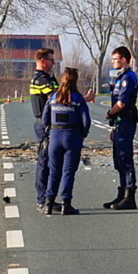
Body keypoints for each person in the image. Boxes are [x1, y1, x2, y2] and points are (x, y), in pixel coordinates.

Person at [41, 68, 91, 215]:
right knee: (68, 172)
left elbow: (45, 119)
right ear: (75, 80)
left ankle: (48, 203)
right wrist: (83, 134)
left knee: (53, 171)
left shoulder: (53, 97)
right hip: (72, 137)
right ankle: (66, 204)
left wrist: (50, 131)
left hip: (55, 137)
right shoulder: (77, 98)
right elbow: (86, 121)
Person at [105, 46, 138, 210]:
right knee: (118, 159)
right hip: (119, 122)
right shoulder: (120, 77)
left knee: (125, 158)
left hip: (126, 120)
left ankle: (129, 196)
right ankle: (121, 193)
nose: (113, 62)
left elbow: (121, 103)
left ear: (124, 60)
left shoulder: (128, 78)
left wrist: (109, 113)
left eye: (115, 59)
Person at [29, 48, 59, 213]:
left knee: (50, 162)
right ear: (42, 61)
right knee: (45, 162)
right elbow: (57, 98)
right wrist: (83, 99)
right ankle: (42, 200)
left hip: (49, 124)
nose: (53, 63)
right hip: (44, 124)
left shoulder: (48, 78)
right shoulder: (40, 80)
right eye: (51, 60)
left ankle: (48, 198)